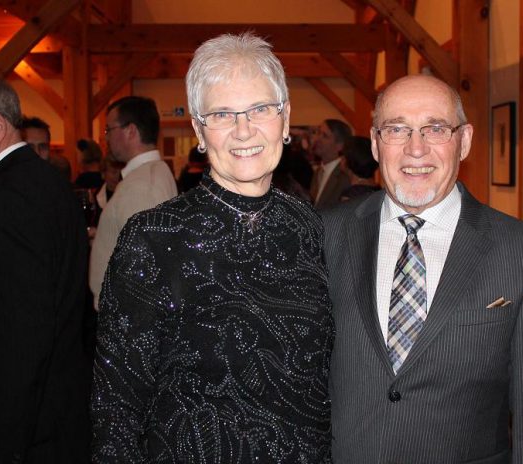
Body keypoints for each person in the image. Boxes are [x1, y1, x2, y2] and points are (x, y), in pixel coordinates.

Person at [91, 33, 333, 463]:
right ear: (200, 131)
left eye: (260, 108)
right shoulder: (154, 238)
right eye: (222, 114)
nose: (244, 130)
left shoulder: (309, 228)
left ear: (285, 118)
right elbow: (117, 411)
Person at [322, 74, 523, 463]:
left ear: (464, 141)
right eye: (397, 129)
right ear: (375, 143)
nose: (415, 149)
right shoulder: (323, 236)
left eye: (435, 129)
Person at [0, 73, 91, 462]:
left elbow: (17, 340)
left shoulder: (3, 201)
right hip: (56, 417)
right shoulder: (47, 181)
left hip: (26, 433)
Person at [88, 96, 177, 305]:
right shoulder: (148, 175)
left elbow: (147, 272)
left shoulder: (144, 186)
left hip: (126, 318)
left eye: (109, 130)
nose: (106, 138)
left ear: (131, 131)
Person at [309, 118, 351, 209]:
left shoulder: (345, 175)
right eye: (318, 133)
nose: (317, 139)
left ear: (339, 145)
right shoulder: (318, 172)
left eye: (325, 136)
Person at [21, 115, 72, 181]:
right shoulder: (8, 183)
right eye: (30, 147)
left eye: (43, 147)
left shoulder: (58, 183)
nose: (37, 152)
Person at [339, 135, 380, 202]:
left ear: (346, 160)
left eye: (342, 155)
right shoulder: (379, 191)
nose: (340, 159)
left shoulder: (350, 196)